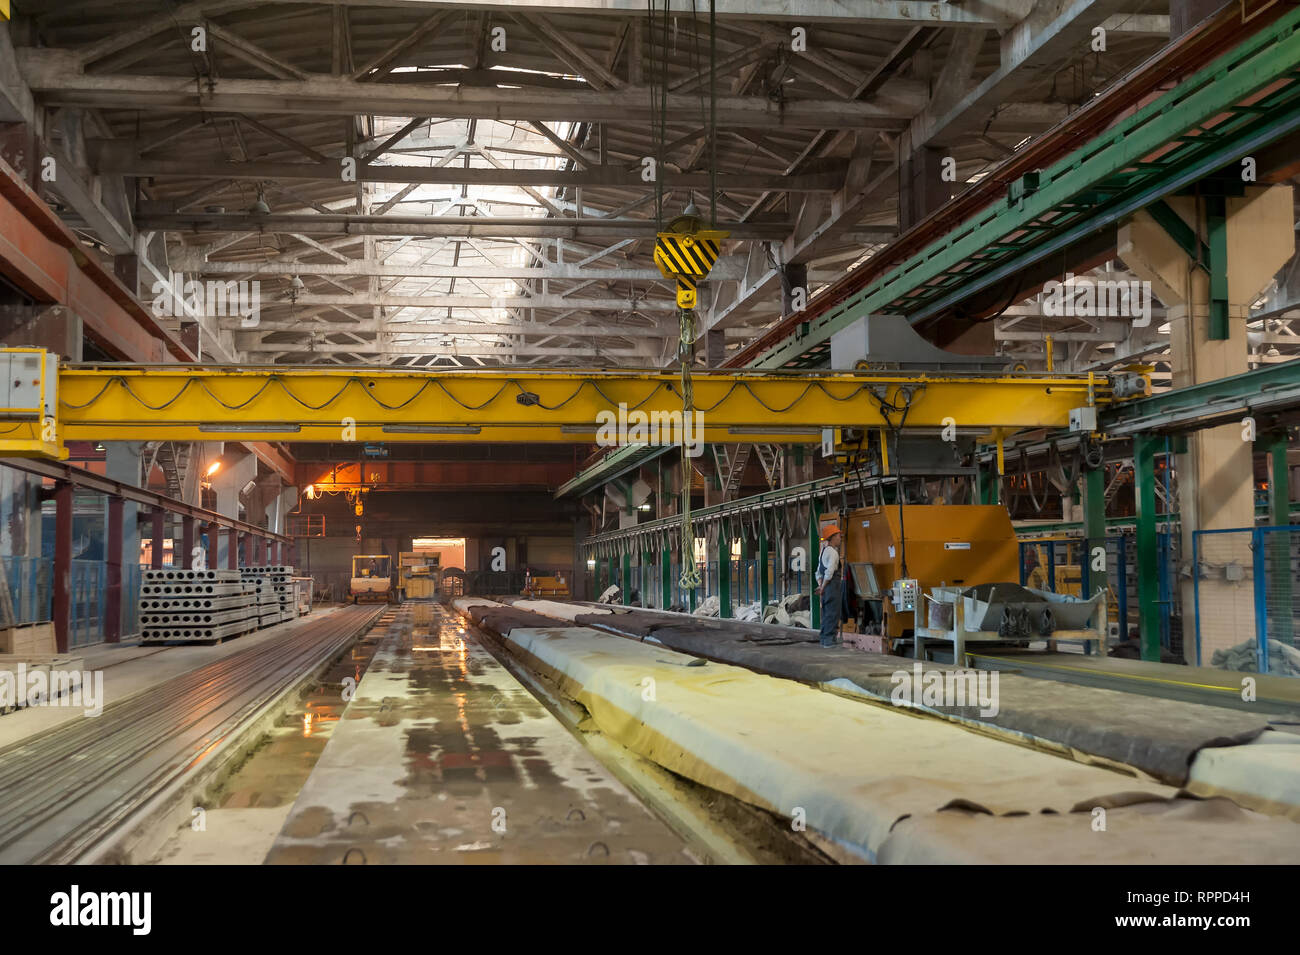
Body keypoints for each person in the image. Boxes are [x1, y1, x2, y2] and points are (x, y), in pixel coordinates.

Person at [815, 525, 843, 648]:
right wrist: (824, 586)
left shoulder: (823, 551)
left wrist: (820, 586)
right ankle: (829, 641)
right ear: (832, 538)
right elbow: (830, 572)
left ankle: (824, 639)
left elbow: (818, 572)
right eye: (838, 536)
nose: (840, 538)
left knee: (826, 613)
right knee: (833, 612)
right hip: (831, 586)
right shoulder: (833, 553)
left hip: (826, 587)